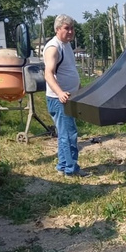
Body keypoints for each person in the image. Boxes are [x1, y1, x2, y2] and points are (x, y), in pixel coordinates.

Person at [44, 14, 82, 176]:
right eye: (67, 28)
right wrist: (59, 93)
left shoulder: (66, 45)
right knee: (68, 134)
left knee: (65, 133)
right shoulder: (54, 47)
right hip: (59, 99)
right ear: (58, 29)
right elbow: (48, 74)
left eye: (72, 28)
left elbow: (69, 70)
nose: (71, 31)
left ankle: (63, 165)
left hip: (68, 96)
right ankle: (71, 170)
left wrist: (79, 89)